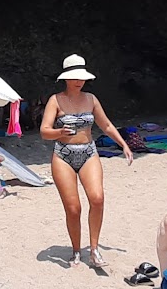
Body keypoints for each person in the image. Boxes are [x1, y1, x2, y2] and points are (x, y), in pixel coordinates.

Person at [40, 54, 132, 270]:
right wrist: (59, 132)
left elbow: (106, 125)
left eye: (81, 77)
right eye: (74, 77)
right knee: (73, 208)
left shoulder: (91, 99)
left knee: (97, 198)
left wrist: (123, 144)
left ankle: (94, 249)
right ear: (66, 78)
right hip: (63, 154)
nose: (79, 81)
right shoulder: (56, 100)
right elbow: (44, 131)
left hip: (88, 151)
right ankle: (75, 250)